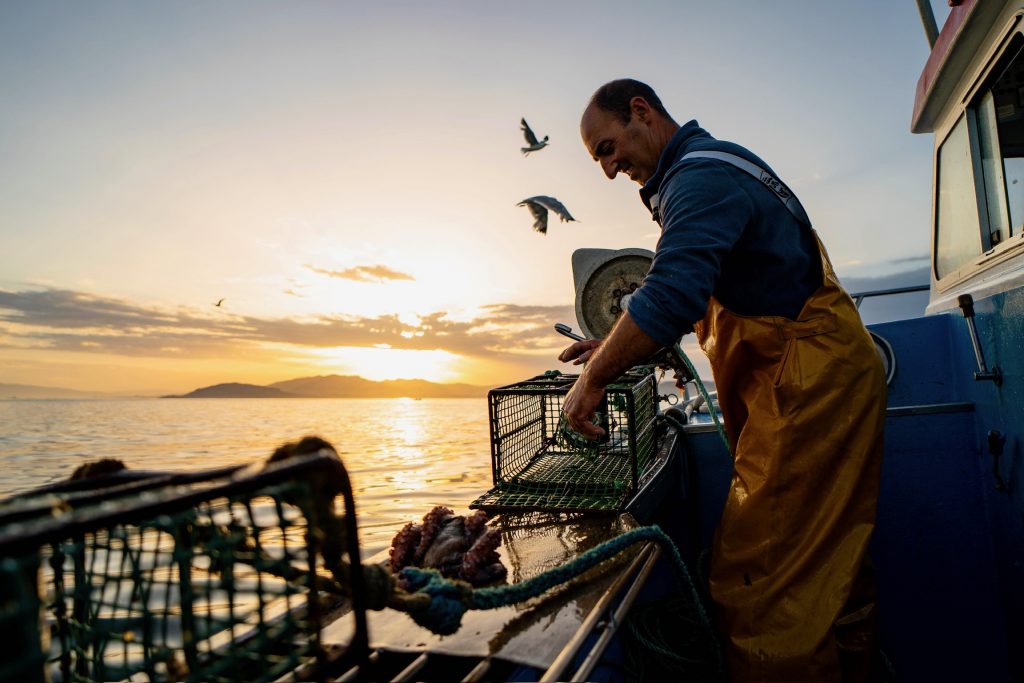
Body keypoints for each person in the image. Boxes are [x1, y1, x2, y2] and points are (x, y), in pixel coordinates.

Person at [559, 78, 886, 681]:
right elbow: (707, 285)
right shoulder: (713, 167)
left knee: (760, 577)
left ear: (641, 112)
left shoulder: (699, 179)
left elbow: (674, 292)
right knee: (828, 561)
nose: (608, 169)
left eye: (607, 148)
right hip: (818, 377)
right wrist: (614, 342)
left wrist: (594, 378)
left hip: (805, 389)